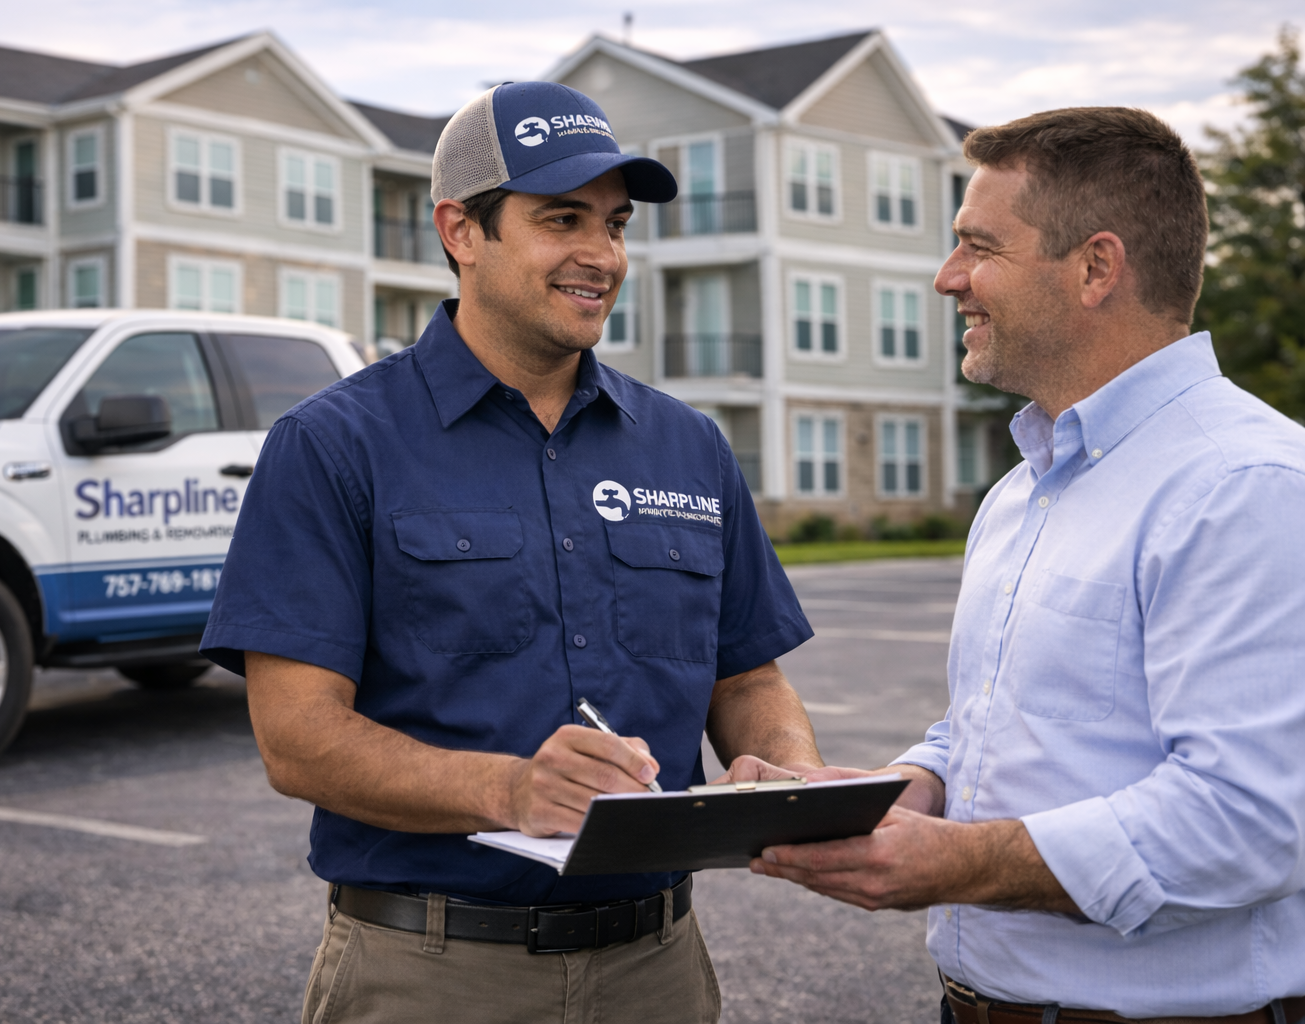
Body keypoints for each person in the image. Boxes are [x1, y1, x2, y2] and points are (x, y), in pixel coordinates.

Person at [199, 81, 824, 1024]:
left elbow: (747, 680)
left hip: (659, 969)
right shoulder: (335, 445)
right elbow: (297, 740)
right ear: (461, 230)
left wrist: (784, 772)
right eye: (561, 218)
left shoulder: (688, 445)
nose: (601, 255)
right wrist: (512, 789)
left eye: (615, 225)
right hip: (430, 972)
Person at [741, 106, 1305, 1023]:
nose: (945, 277)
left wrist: (958, 862)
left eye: (979, 247)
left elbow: (1250, 824)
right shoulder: (1022, 491)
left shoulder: (1246, 486)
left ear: (1096, 268)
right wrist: (900, 791)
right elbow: (1005, 723)